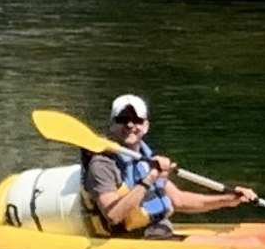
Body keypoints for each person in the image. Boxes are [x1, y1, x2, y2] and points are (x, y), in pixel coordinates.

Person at [83, 93, 244, 239]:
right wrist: (151, 178)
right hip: (129, 239)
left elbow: (178, 200)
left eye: (137, 120)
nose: (130, 125)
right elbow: (113, 215)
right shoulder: (102, 165)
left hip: (158, 231)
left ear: (146, 126)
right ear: (112, 125)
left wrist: (228, 199)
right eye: (123, 119)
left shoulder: (147, 159)